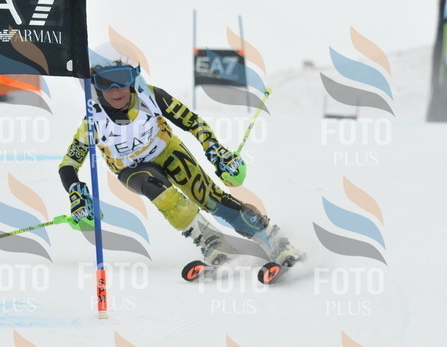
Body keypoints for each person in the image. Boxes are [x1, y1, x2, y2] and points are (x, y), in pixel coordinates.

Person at [58, 59, 302, 267]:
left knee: (208, 197)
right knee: (156, 189)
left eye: (121, 79)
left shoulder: (151, 97)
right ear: (95, 87)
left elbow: (193, 122)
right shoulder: (93, 121)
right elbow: (68, 165)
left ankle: (271, 238)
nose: (114, 90)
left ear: (132, 79)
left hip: (167, 151)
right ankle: (211, 241)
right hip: (131, 169)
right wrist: (76, 193)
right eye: (104, 83)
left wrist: (213, 149)